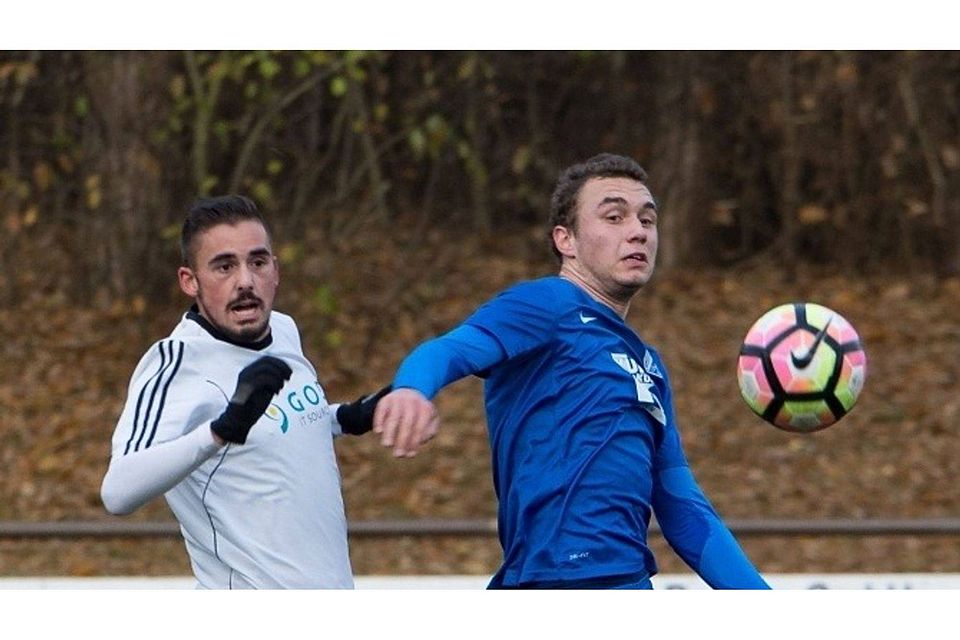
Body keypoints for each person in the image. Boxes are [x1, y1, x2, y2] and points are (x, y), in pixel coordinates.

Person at [373, 153, 770, 589]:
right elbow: (451, 349)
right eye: (614, 217)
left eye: (647, 220)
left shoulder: (649, 367)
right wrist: (412, 389)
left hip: (628, 586)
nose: (637, 231)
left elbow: (682, 508)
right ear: (566, 240)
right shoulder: (547, 306)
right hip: (554, 586)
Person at [101, 195, 386, 589]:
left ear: (275, 270)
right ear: (190, 280)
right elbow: (118, 491)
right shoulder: (174, 362)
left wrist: (349, 417)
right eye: (224, 266)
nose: (245, 281)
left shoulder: (283, 330)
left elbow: (277, 423)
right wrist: (219, 432)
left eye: (257, 261)